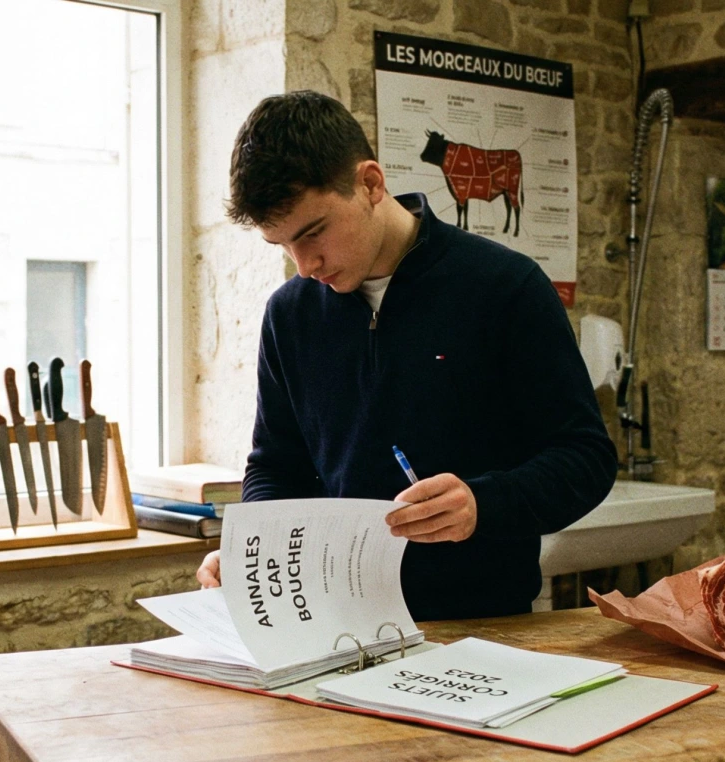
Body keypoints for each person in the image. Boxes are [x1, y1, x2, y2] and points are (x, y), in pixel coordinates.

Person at [195, 91, 617, 621]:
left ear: (371, 183)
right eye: (281, 245)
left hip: (483, 631)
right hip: (332, 626)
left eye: (313, 233)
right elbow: (277, 466)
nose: (304, 266)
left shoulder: (505, 287)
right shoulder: (290, 314)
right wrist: (253, 551)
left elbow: (585, 459)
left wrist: (483, 504)